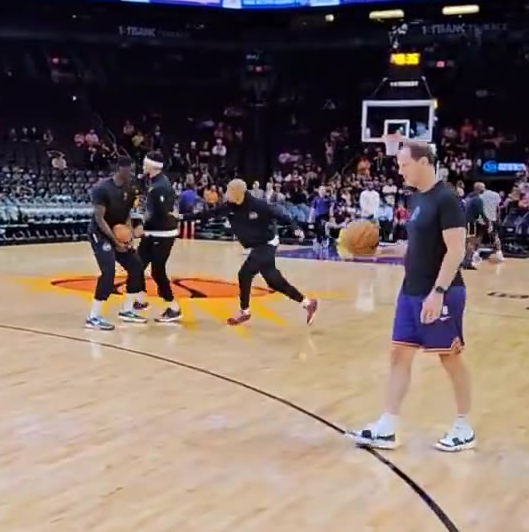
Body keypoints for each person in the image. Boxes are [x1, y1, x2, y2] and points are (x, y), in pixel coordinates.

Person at [348, 141, 475, 453]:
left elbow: (457, 250)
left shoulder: (447, 199)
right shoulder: (417, 199)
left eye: (404, 164)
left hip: (440, 292)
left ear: (424, 162)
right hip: (411, 291)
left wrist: (439, 292)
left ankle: (465, 426)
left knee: (450, 357)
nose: (400, 170)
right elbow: (417, 246)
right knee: (399, 355)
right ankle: (388, 427)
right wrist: (384, 250)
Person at [185, 179, 318, 327]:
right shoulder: (230, 207)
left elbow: (281, 215)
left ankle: (245, 311)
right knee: (274, 281)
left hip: (268, 243)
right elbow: (208, 214)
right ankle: (308, 303)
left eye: (230, 191)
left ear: (239, 193)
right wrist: (183, 217)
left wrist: (295, 228)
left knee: (245, 273)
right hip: (257, 246)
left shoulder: (258, 205)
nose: (227, 194)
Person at [85, 159, 145, 331]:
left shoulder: (131, 190)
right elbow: (99, 218)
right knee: (108, 271)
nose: (132, 174)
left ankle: (127, 310)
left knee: (136, 266)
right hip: (100, 234)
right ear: (120, 169)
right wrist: (115, 241)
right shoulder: (102, 189)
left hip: (118, 233)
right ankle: (93, 316)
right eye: (129, 170)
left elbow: (126, 216)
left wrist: (128, 237)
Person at [132, 152, 182, 323]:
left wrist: (140, 226)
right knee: (136, 264)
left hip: (163, 234)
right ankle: (140, 300)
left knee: (157, 271)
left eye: (146, 163)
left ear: (153, 167)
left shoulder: (160, 186)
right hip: (153, 232)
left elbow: (162, 213)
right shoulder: (154, 182)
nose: (143, 165)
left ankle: (173, 307)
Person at [478, 182, 504, 262]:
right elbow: (498, 207)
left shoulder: (479, 196)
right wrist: (498, 218)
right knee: (495, 236)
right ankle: (500, 254)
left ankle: (475, 255)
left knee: (479, 236)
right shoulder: (496, 195)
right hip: (493, 218)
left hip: (482, 219)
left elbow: (479, 209)